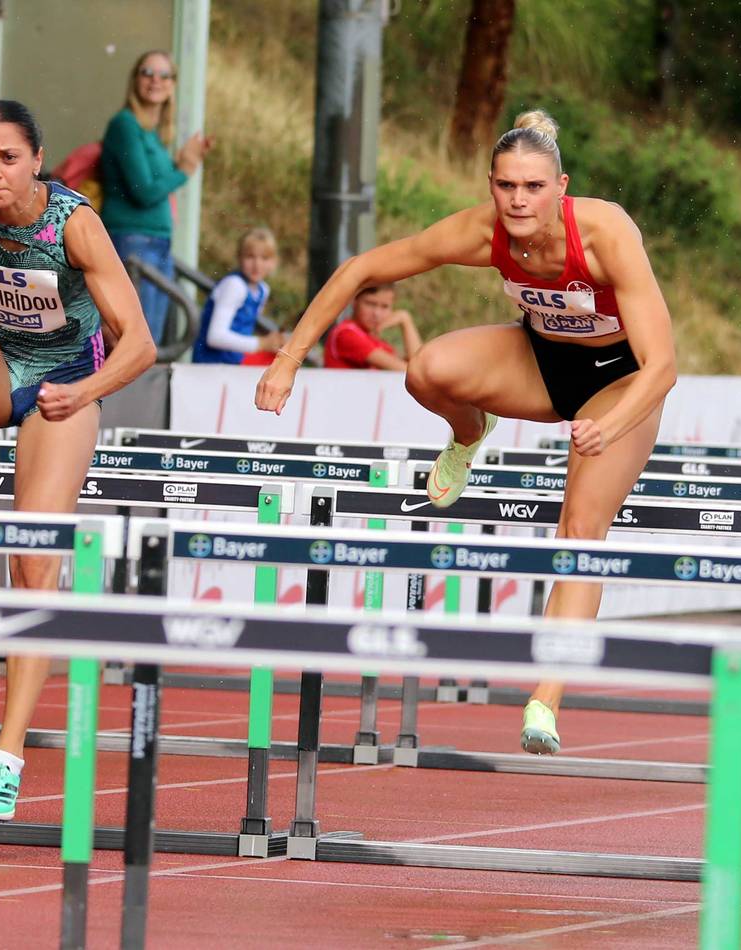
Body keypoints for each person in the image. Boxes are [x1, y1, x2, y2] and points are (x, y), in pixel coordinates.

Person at [256, 111, 676, 755]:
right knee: (425, 369)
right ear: (490, 186)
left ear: (561, 188)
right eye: (506, 186)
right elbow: (361, 269)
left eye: (533, 188)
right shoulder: (483, 232)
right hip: (540, 365)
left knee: (580, 528)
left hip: (621, 381)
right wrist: (289, 359)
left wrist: (609, 426)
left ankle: (545, 699)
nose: (518, 201)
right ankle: (468, 432)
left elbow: (662, 365)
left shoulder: (605, 233)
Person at [0, 100, 156, 819]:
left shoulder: (72, 224)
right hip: (0, 367)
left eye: (6, 157)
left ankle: (7, 753)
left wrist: (82, 392)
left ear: (36, 161)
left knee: (33, 560)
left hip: (66, 383)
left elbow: (140, 345)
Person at [100, 49, 212, 344]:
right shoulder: (125, 124)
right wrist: (184, 171)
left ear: (173, 84)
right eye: (147, 72)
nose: (155, 80)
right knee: (134, 343)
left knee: (149, 342)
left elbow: (154, 183)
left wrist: (182, 161)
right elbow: (144, 192)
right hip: (132, 242)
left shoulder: (152, 133)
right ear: (135, 79)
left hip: (157, 243)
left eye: (164, 75)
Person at [191, 227, 286, 364]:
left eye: (264, 258)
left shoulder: (263, 290)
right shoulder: (234, 285)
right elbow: (215, 337)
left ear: (273, 262)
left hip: (235, 358)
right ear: (240, 258)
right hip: (212, 361)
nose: (257, 265)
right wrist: (261, 343)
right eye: (250, 257)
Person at [323, 283, 422, 370]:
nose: (376, 314)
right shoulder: (346, 334)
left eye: (384, 306)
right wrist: (406, 320)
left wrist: (406, 321)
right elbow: (414, 372)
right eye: (370, 304)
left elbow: (417, 365)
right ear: (354, 301)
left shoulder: (371, 338)